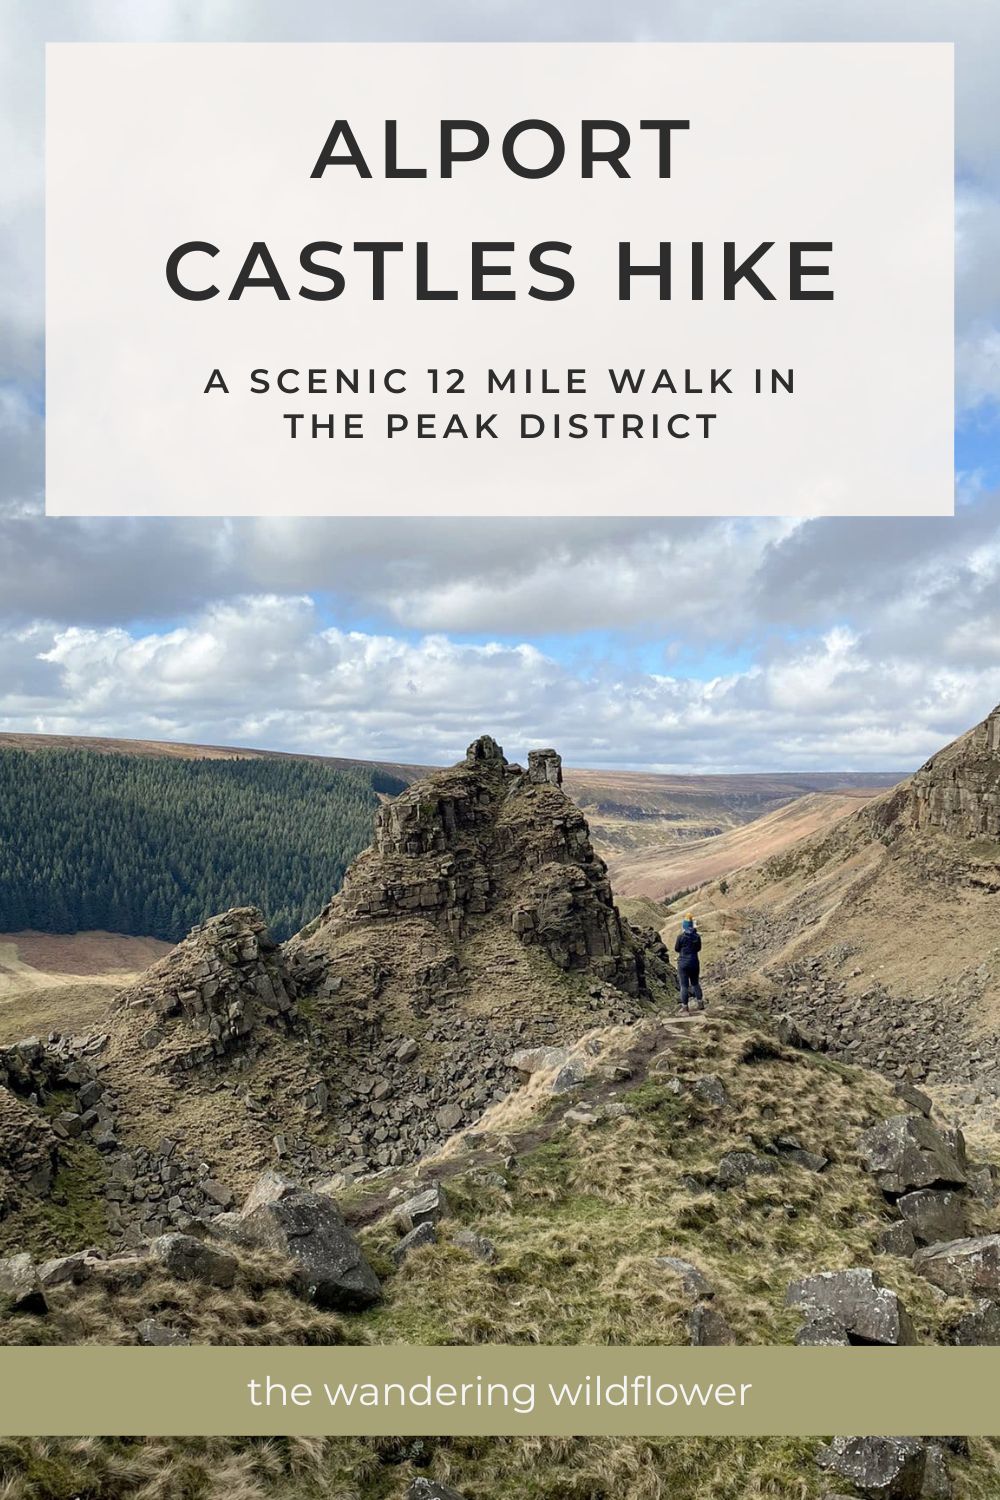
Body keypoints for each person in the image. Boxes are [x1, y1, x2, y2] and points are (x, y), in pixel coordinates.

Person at [674, 913, 704, 1014]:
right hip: (694, 963)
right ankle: (700, 1003)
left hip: (683, 963)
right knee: (695, 983)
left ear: (684, 926)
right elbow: (699, 948)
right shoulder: (697, 937)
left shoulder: (680, 937)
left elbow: (676, 949)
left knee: (684, 986)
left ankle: (685, 1007)